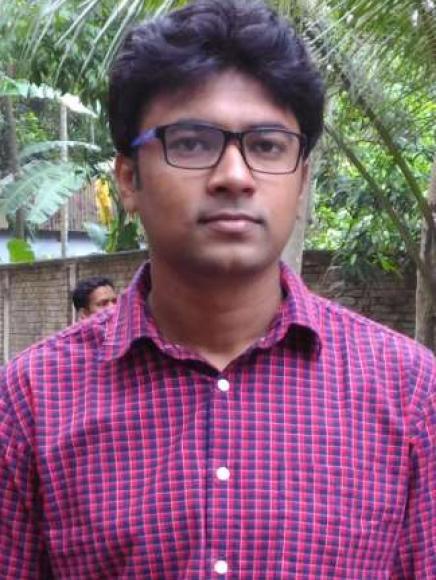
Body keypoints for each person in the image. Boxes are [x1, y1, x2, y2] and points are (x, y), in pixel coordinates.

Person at [0, 0, 434, 577]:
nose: (235, 176)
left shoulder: (408, 393)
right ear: (128, 179)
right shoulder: (33, 400)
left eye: (268, 145)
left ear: (302, 179)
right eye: (192, 142)